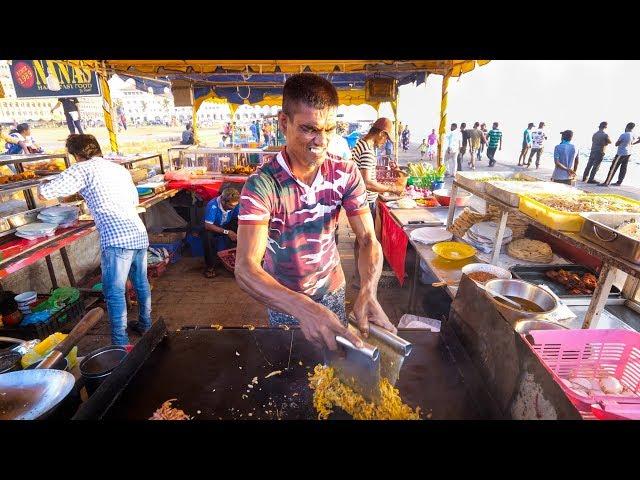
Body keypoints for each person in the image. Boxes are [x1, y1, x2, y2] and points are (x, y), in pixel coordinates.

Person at [235, 73, 396, 351]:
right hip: (284, 299)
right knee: (290, 367)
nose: (321, 141)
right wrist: (303, 308)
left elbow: (368, 239)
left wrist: (368, 290)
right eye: (310, 129)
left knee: (335, 368)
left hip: (332, 289)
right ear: (284, 122)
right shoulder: (262, 184)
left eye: (330, 129)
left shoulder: (345, 173)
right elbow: (246, 268)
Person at [38, 134, 151, 346]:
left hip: (117, 238)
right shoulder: (117, 168)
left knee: (114, 291)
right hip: (137, 231)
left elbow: (45, 193)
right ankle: (146, 324)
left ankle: (120, 342)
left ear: (76, 155)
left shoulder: (82, 168)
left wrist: (42, 179)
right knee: (141, 283)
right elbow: (133, 199)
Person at [351, 118, 404, 287]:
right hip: (365, 201)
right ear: (381, 133)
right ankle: (363, 280)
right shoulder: (367, 150)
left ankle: (359, 274)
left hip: (360, 200)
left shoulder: (361, 143)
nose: (384, 142)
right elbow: (367, 182)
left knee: (361, 239)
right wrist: (393, 189)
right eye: (385, 138)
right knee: (366, 241)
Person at [203, 188, 240, 279]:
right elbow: (208, 225)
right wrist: (227, 232)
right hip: (213, 227)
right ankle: (210, 267)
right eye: (231, 205)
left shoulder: (236, 204)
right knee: (207, 236)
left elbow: (239, 218)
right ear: (223, 201)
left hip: (226, 224)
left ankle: (239, 262)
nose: (233, 208)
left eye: (235, 205)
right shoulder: (213, 206)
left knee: (242, 230)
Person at [600, 122, 640, 187]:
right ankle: (619, 182)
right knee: (623, 168)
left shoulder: (624, 135)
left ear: (626, 127)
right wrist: (633, 143)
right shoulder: (634, 135)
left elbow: (616, 144)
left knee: (613, 167)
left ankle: (606, 182)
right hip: (628, 153)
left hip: (621, 153)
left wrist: (620, 143)